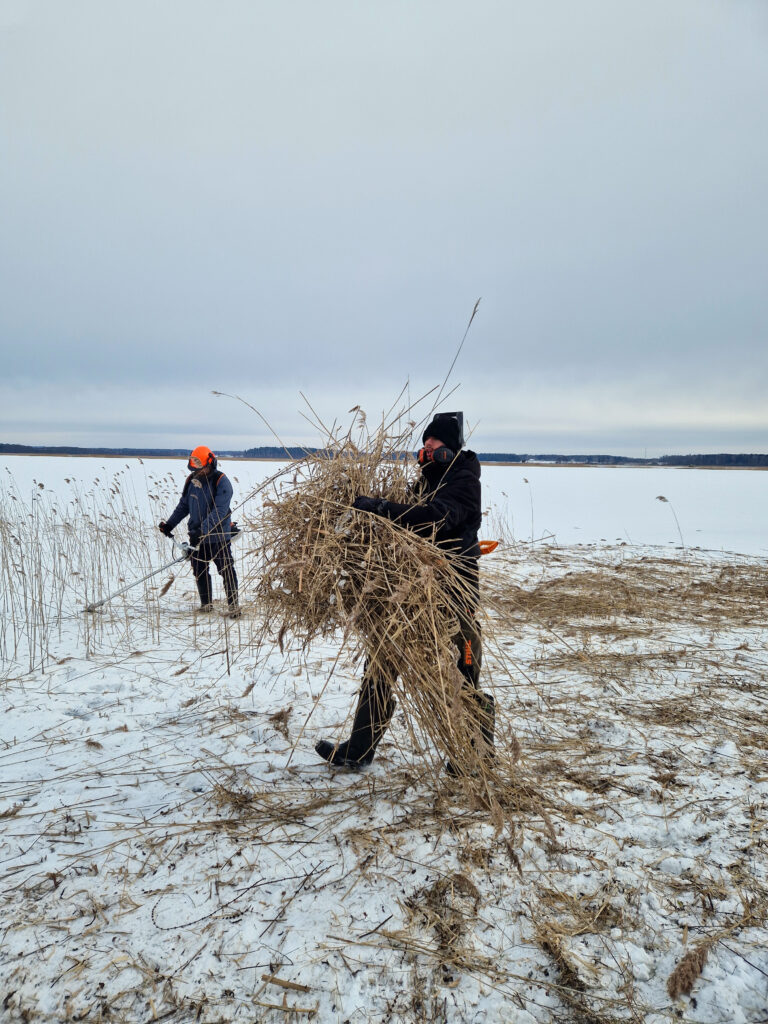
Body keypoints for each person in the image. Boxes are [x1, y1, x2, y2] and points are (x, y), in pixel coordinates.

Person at [315, 411, 494, 772]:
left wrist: (381, 509)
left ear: (451, 450)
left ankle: (478, 753)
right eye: (424, 444)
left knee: (463, 672)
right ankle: (360, 747)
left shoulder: (463, 481)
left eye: (434, 444)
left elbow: (431, 517)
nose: (426, 450)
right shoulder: (427, 480)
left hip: (452, 597)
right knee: (381, 661)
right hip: (412, 595)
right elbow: (407, 515)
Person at [158, 445, 240, 617]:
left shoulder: (221, 481)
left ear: (209, 462)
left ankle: (234, 607)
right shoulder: (191, 480)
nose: (196, 468)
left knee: (226, 570)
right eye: (193, 463)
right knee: (199, 570)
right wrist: (169, 525)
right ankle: (206, 605)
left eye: (199, 464)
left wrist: (202, 531)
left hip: (218, 537)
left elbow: (219, 512)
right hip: (197, 536)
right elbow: (184, 506)